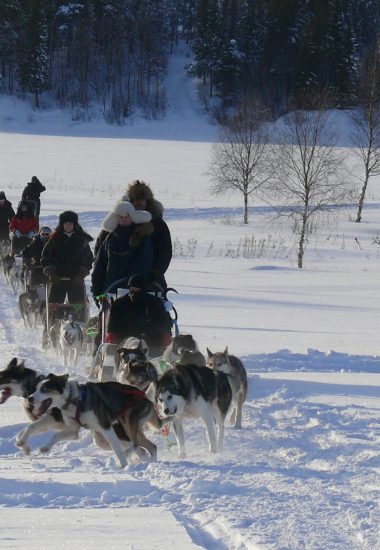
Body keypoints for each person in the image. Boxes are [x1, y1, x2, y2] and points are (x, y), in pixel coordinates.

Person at [94, 180, 172, 289]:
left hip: (149, 281)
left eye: (142, 199)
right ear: (130, 201)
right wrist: (101, 273)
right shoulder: (118, 220)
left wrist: (155, 272)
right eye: (135, 199)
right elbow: (101, 248)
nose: (139, 202)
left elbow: (165, 251)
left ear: (148, 201)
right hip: (116, 281)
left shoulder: (157, 223)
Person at [91, 201, 153, 301]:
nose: (124, 220)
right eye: (121, 217)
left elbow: (143, 262)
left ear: (132, 218)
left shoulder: (142, 238)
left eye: (127, 217)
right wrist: (96, 292)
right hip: (110, 292)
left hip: (135, 293)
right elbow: (100, 266)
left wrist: (132, 284)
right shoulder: (110, 239)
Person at [41, 211, 93, 316]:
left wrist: (81, 274)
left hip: (76, 281)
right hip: (57, 280)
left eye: (70, 223)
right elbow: (45, 257)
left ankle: (78, 328)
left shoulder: (81, 240)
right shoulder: (54, 239)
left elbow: (89, 259)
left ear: (74, 224)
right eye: (66, 223)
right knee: (54, 307)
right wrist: (51, 273)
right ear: (62, 224)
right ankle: (51, 327)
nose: (68, 226)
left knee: (78, 307)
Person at [106, 274, 172, 356]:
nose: (134, 292)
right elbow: (113, 327)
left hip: (151, 344)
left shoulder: (155, 304)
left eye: (138, 290)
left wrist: (160, 337)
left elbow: (163, 325)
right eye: (132, 289)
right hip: (125, 344)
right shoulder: (119, 304)